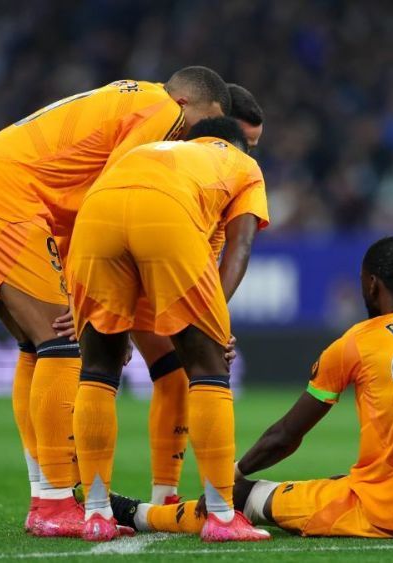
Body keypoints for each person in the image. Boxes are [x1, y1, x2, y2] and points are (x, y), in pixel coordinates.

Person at [0, 66, 231, 537]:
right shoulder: (164, 115)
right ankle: (55, 503)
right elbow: (109, 197)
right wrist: (89, 296)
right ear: (187, 102)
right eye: (207, 122)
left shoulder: (130, 98)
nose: (202, 139)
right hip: (6, 198)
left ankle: (46, 496)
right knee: (63, 344)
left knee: (37, 346)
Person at [109, 236, 393, 538]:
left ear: (371, 285)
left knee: (238, 496)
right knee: (338, 483)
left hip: (381, 515)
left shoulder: (359, 340)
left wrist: (234, 472)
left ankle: (139, 514)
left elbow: (285, 435)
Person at [67, 117, 271, 542]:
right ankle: (220, 513)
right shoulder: (242, 164)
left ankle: (97, 512)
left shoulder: (154, 152)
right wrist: (215, 316)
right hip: (164, 213)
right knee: (208, 366)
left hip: (96, 210)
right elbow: (241, 245)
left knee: (99, 371)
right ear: (236, 143)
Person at [135, 83, 266, 507]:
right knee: (87, 362)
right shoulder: (167, 146)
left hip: (151, 265)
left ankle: (160, 497)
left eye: (254, 145)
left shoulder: (201, 171)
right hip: (132, 256)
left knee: (173, 375)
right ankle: (65, 492)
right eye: (244, 142)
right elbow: (237, 248)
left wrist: (208, 317)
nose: (247, 154)